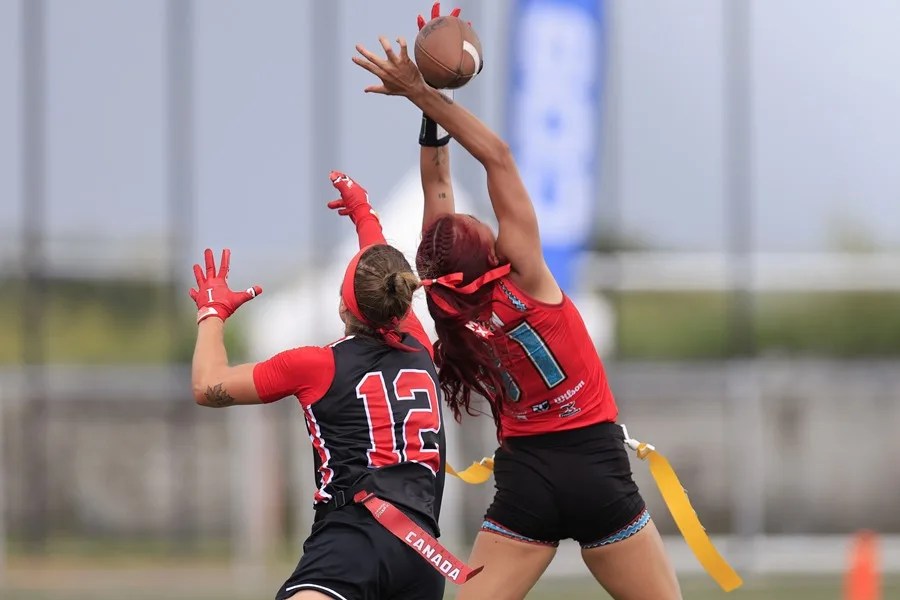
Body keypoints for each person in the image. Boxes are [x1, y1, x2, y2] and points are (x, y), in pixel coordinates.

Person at [351, 7, 683, 599]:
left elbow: (437, 185)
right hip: (594, 467)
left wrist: (430, 96)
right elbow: (497, 156)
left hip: (527, 478)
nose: (478, 216)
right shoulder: (526, 276)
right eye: (478, 222)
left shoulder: (444, 299)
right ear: (490, 251)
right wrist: (424, 93)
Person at [189, 172, 479, 600]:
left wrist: (211, 312)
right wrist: (364, 214)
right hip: (421, 554)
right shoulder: (418, 342)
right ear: (400, 301)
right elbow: (383, 267)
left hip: (354, 543)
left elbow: (207, 385)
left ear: (343, 304)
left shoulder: (316, 365)